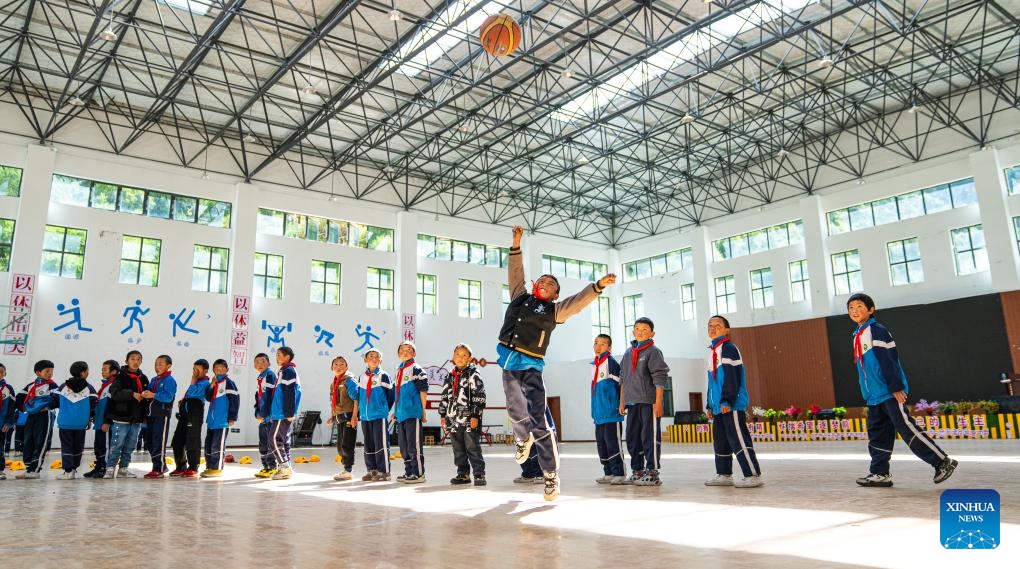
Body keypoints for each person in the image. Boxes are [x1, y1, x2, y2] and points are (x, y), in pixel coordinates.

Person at [498, 225, 616, 501]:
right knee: (516, 412)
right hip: (508, 362)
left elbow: (578, 302)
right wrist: (516, 242)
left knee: (539, 421)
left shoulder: (555, 311)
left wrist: (597, 286)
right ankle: (521, 439)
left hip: (532, 366)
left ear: (555, 295)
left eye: (552, 284)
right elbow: (515, 271)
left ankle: (550, 475)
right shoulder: (519, 296)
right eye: (543, 281)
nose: (546, 284)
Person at [847, 293, 957, 487]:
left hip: (888, 392)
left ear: (871, 310)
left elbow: (888, 359)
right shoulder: (857, 334)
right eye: (851, 308)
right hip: (873, 396)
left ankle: (942, 462)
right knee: (878, 434)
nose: (855, 311)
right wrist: (868, 393)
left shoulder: (876, 330)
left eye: (859, 306)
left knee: (907, 429)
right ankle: (880, 473)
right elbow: (864, 368)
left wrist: (895, 386)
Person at [703, 315, 763, 488]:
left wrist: (727, 400)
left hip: (731, 405)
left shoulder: (729, 348)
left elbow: (732, 377)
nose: (713, 328)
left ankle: (753, 474)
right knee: (720, 441)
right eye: (710, 325)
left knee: (738, 439)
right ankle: (724, 474)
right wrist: (709, 404)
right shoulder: (712, 352)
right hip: (718, 407)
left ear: (727, 329)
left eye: (718, 325)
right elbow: (712, 382)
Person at [619, 317, 670, 486]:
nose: (640, 332)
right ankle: (637, 470)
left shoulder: (653, 351)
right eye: (637, 329)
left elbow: (660, 376)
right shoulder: (627, 353)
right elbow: (623, 379)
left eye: (644, 330)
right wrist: (622, 402)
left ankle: (653, 471)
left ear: (652, 333)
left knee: (649, 436)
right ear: (633, 331)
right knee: (633, 438)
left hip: (649, 402)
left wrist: (659, 402)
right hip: (632, 403)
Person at [439, 344, 487, 486]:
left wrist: (475, 416)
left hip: (468, 419)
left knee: (472, 446)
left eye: (464, 355)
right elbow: (444, 396)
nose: (460, 358)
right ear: (453, 357)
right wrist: (443, 415)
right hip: (452, 419)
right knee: (458, 448)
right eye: (458, 355)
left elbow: (480, 396)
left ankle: (479, 474)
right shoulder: (450, 375)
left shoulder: (474, 374)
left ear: (470, 358)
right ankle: (463, 474)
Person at [348, 348, 393, 482]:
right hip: (366, 417)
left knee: (381, 444)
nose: (374, 359)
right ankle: (372, 469)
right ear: (365, 360)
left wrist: (383, 409)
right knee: (369, 444)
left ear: (381, 360)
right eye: (371, 356)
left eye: (377, 357)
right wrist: (359, 413)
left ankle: (384, 471)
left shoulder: (384, 376)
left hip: (379, 415)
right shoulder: (362, 377)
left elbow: (390, 396)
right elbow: (361, 396)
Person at [103, 350, 149, 479]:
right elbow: (115, 393)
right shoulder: (120, 376)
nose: (135, 362)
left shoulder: (143, 378)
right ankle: (110, 468)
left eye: (138, 359)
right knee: (117, 443)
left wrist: (146, 395)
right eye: (132, 359)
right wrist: (132, 394)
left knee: (130, 445)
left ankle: (124, 468)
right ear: (127, 361)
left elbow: (147, 396)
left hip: (136, 418)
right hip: (121, 417)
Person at [52, 361, 97, 480]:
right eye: (87, 370)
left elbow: (54, 401)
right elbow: (94, 405)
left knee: (66, 446)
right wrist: (90, 418)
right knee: (78, 446)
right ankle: (73, 469)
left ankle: (67, 471)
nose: (88, 372)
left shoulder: (62, 387)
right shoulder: (89, 388)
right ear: (83, 373)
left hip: (65, 422)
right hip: (81, 423)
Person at [391, 342, 429, 484]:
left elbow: (423, 391)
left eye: (409, 350)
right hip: (401, 415)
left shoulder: (416, 369)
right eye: (402, 350)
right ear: (398, 354)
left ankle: (419, 473)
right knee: (404, 447)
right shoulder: (398, 371)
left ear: (414, 353)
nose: (405, 352)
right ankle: (409, 472)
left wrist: (423, 411)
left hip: (413, 413)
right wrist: (395, 411)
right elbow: (397, 394)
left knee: (414, 446)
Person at [590, 334, 625, 484]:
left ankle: (620, 473)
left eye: (602, 344)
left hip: (611, 413)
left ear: (609, 347)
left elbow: (621, 385)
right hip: (599, 415)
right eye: (596, 343)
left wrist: (621, 404)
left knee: (613, 443)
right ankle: (608, 472)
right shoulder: (594, 365)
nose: (598, 347)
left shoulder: (611, 363)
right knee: (602, 445)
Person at [16, 360, 58, 479]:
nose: (50, 374)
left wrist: (48, 406)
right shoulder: (31, 386)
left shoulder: (52, 385)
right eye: (47, 371)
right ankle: (29, 467)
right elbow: (19, 398)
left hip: (45, 416)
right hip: (31, 416)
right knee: (28, 440)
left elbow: (57, 399)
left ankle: (36, 469)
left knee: (41, 441)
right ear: (38, 372)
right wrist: (25, 408)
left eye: (51, 371)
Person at [169, 359, 210, 479]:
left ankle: (193, 466)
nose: (195, 372)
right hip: (185, 413)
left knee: (192, 439)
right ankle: (180, 466)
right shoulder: (197, 381)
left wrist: (193, 381)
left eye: (198, 369)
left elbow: (193, 392)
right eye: (194, 369)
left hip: (195, 412)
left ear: (205, 371)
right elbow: (189, 394)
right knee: (178, 439)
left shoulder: (205, 383)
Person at [202, 359, 239, 478]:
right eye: (216, 368)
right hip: (212, 421)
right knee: (208, 444)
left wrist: (232, 417)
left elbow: (235, 401)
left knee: (217, 445)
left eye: (222, 368)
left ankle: (217, 468)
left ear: (227, 370)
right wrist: (211, 386)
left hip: (222, 421)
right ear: (213, 370)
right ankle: (209, 466)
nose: (219, 370)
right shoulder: (214, 383)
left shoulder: (229, 383)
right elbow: (208, 398)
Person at [268, 347, 301, 481]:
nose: (277, 357)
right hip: (279, 413)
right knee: (277, 440)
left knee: (274, 440)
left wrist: (288, 412)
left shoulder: (288, 371)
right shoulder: (284, 371)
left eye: (279, 355)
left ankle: (284, 467)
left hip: (283, 413)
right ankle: (285, 467)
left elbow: (290, 392)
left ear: (287, 357)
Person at [82, 360, 119, 479]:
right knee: (98, 446)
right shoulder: (105, 385)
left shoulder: (113, 385)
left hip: (105, 422)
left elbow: (112, 405)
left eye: (105, 369)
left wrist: (107, 421)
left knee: (105, 446)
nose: (102, 371)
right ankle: (98, 467)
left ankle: (105, 468)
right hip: (99, 421)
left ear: (113, 371)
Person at [142, 355, 177, 479]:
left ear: (168, 366)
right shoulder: (154, 379)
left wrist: (152, 394)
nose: (157, 367)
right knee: (149, 442)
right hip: (151, 415)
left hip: (162, 415)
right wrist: (145, 393)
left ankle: (158, 468)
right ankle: (161, 466)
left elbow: (168, 397)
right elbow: (150, 394)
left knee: (158, 441)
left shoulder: (169, 380)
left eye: (161, 364)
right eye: (156, 364)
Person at [326, 356, 357, 481]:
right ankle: (346, 468)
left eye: (342, 364)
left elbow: (356, 399)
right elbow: (334, 401)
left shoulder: (349, 381)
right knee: (340, 446)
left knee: (347, 444)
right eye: (336, 365)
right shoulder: (334, 382)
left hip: (349, 415)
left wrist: (354, 416)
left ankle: (348, 470)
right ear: (332, 368)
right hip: (339, 417)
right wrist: (332, 416)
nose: (338, 367)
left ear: (347, 367)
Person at [252, 353, 278, 479]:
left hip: (269, 417)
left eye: (263, 361)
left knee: (270, 442)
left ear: (269, 363)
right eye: (257, 362)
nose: (260, 364)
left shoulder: (270, 375)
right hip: (263, 417)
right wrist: (257, 412)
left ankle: (272, 467)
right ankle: (265, 467)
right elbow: (259, 397)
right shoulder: (260, 377)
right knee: (263, 443)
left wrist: (264, 414)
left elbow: (269, 397)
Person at [0, 363, 15, 480]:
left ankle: (0, 470)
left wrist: (8, 423)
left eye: (1, 372)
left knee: (0, 447)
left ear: (5, 373)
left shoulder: (8, 389)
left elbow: (11, 408)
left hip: (1, 424)